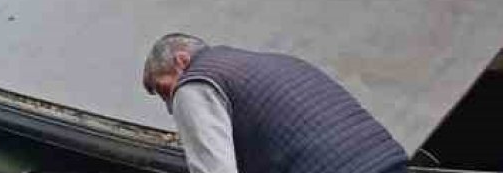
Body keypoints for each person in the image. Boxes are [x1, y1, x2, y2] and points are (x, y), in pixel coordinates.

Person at [142, 33, 408, 173]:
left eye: (166, 90)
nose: (170, 106)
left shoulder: (194, 84)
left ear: (181, 61)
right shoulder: (278, 62)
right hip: (388, 162)